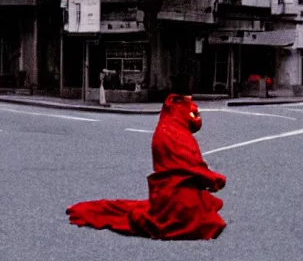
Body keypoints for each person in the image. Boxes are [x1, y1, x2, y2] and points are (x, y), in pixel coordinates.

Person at [66, 94, 227, 240]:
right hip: (174, 193)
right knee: (205, 222)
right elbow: (188, 166)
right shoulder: (172, 134)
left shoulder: (169, 129)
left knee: (203, 210)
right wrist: (212, 177)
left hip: (170, 190)